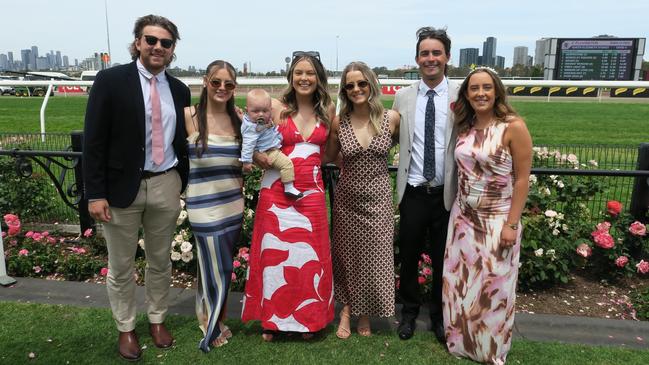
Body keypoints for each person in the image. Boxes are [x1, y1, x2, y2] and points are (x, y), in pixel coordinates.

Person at [83, 14, 190, 361]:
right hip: (119, 190)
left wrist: (182, 182)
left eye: (166, 42)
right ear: (138, 43)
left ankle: (157, 320)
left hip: (165, 183)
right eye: (151, 40)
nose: (158, 47)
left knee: (160, 261)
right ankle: (126, 327)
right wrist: (95, 193)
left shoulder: (179, 89)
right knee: (121, 266)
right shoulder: (111, 80)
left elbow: (184, 140)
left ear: (173, 49)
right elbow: (94, 141)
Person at [241, 51, 335, 341]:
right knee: (274, 254)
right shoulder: (277, 108)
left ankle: (309, 320)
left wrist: (312, 169)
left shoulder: (328, 110)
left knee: (311, 255)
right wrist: (257, 157)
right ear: (291, 77)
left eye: (310, 73)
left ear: (319, 77)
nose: (304, 78)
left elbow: (329, 151)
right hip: (276, 191)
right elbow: (250, 135)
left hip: (313, 193)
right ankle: (273, 321)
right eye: (299, 73)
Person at [442, 67, 532, 364]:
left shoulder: (512, 126)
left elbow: (521, 179)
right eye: (474, 89)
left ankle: (490, 350)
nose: (481, 93)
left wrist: (512, 224)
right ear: (466, 95)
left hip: (497, 220)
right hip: (463, 219)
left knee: (494, 287)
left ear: (496, 92)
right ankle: (462, 343)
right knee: (461, 283)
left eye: (486, 88)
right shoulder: (464, 126)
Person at [392, 27, 461, 342]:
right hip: (414, 192)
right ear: (417, 58)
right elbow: (390, 136)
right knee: (408, 256)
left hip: (447, 195)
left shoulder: (462, 95)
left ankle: (438, 316)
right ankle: (408, 312)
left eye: (437, 53)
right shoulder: (403, 96)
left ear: (447, 57)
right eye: (425, 53)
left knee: (442, 258)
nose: (430, 59)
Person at [324, 61, 400, 339]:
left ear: (371, 84)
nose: (356, 89)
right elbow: (328, 156)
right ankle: (346, 311)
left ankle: (364, 313)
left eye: (361, 83)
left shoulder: (391, 118)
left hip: (379, 198)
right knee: (346, 257)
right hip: (347, 198)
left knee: (376, 256)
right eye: (350, 85)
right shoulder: (339, 121)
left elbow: (411, 152)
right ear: (345, 91)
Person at [183, 60, 244, 352]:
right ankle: (212, 326)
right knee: (214, 267)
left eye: (228, 84)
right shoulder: (190, 116)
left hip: (233, 205)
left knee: (217, 267)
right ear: (205, 82)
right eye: (216, 82)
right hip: (203, 205)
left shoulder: (240, 120)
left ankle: (212, 314)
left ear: (235, 88)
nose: (222, 88)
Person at [240, 88, 302, 198]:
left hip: (269, 149)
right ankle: (289, 187)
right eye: (256, 111)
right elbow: (247, 145)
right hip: (268, 152)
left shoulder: (256, 121)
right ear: (247, 110)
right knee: (287, 165)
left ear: (270, 110)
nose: (261, 114)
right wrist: (246, 162)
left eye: (265, 111)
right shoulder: (252, 127)